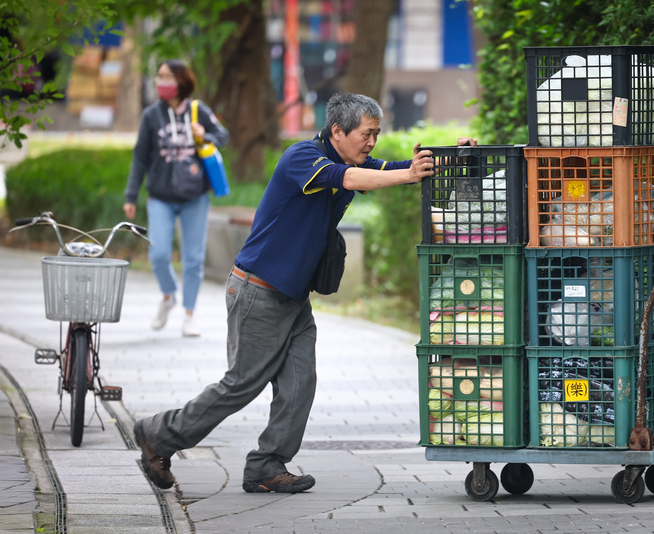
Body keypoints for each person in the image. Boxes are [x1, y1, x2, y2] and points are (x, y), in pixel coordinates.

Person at [133, 93, 477, 494]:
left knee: (300, 383)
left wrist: (448, 158)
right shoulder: (304, 158)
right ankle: (158, 435)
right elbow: (347, 179)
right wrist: (408, 174)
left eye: (376, 135)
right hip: (258, 290)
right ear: (337, 130)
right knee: (241, 384)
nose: (371, 143)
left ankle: (266, 465)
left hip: (294, 298)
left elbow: (398, 169)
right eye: (366, 134)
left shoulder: (354, 162)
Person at [123, 59, 229, 337]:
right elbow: (140, 158)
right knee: (157, 254)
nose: (161, 82)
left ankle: (190, 314)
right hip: (160, 195)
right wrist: (131, 195)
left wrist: (205, 134)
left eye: (167, 77)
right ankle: (169, 295)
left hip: (195, 194)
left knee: (193, 258)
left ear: (181, 81)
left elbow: (223, 135)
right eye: (158, 77)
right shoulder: (151, 116)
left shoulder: (198, 110)